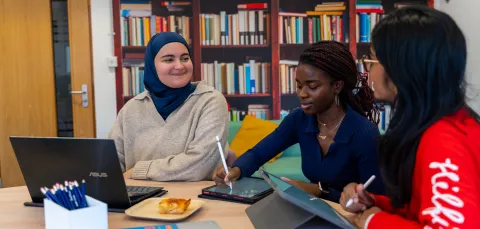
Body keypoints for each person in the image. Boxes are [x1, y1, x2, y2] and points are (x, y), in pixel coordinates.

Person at [339, 6, 480, 229]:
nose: (368, 72)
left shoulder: (442, 139)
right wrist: (377, 204)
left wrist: (374, 221)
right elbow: (427, 209)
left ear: (399, 71)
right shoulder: (447, 123)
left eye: (373, 60)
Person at [213, 40, 386, 203]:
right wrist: (235, 170)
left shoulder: (364, 133)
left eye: (312, 87)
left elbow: (374, 198)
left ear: (337, 86)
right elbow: (259, 153)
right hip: (312, 210)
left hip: (351, 219)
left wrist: (319, 191)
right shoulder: (299, 120)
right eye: (299, 85)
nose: (302, 94)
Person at [108, 32, 230, 182]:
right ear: (152, 65)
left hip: (195, 200)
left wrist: (139, 171)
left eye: (185, 58)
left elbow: (199, 165)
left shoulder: (210, 101)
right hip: (141, 199)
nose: (179, 66)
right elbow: (110, 165)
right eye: (168, 59)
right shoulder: (131, 109)